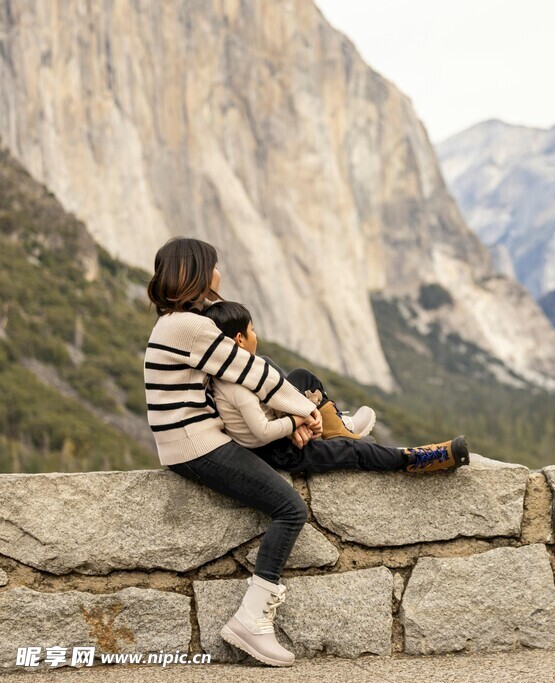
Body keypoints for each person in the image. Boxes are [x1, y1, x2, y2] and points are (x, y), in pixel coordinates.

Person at [144, 237, 469, 668]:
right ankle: (250, 620)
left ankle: (350, 434)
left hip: (197, 440)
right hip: (198, 445)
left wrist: (299, 416)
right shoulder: (190, 326)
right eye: (214, 265)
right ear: (197, 271)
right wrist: (306, 411)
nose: (219, 273)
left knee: (304, 407)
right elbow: (251, 371)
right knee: (289, 508)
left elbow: (251, 376)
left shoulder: (175, 323)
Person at [200, 299, 469, 477]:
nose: (256, 335)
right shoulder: (235, 388)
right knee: (354, 452)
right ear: (239, 340)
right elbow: (260, 433)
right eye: (252, 330)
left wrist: (302, 418)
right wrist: (296, 422)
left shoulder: (241, 368)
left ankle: (339, 428)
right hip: (276, 451)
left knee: (300, 377)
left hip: (282, 432)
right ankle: (417, 459)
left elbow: (275, 392)